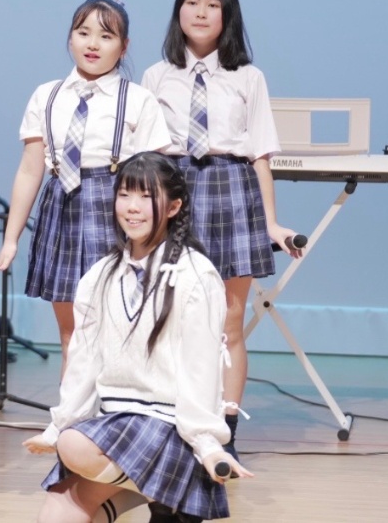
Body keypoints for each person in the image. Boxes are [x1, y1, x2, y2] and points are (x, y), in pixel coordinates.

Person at [24, 151, 252, 523]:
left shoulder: (195, 274)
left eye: (147, 197)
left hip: (169, 426)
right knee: (56, 513)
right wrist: (57, 426)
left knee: (74, 444)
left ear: (174, 207)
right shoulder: (100, 275)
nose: (132, 207)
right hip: (115, 422)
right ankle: (164, 495)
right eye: (124, 194)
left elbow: (201, 369)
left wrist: (207, 444)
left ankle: (171, 487)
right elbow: (83, 363)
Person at [141, 0, 302, 464]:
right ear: (178, 12)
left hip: (231, 189)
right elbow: (145, 154)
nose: (201, 12)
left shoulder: (248, 77)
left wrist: (271, 223)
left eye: (213, 4)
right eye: (192, 2)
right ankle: (174, 423)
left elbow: (261, 155)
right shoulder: (156, 76)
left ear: (227, 16)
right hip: (173, 189)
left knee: (229, 321)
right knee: (169, 316)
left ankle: (225, 430)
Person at [0, 0, 171, 371]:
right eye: (83, 32)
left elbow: (155, 180)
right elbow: (30, 171)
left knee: (118, 329)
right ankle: (72, 407)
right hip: (62, 205)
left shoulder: (138, 100)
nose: (92, 44)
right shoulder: (47, 95)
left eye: (106, 35)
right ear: (70, 38)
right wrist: (11, 239)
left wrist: (151, 242)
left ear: (124, 46)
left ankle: (118, 405)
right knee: (71, 333)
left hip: (117, 210)